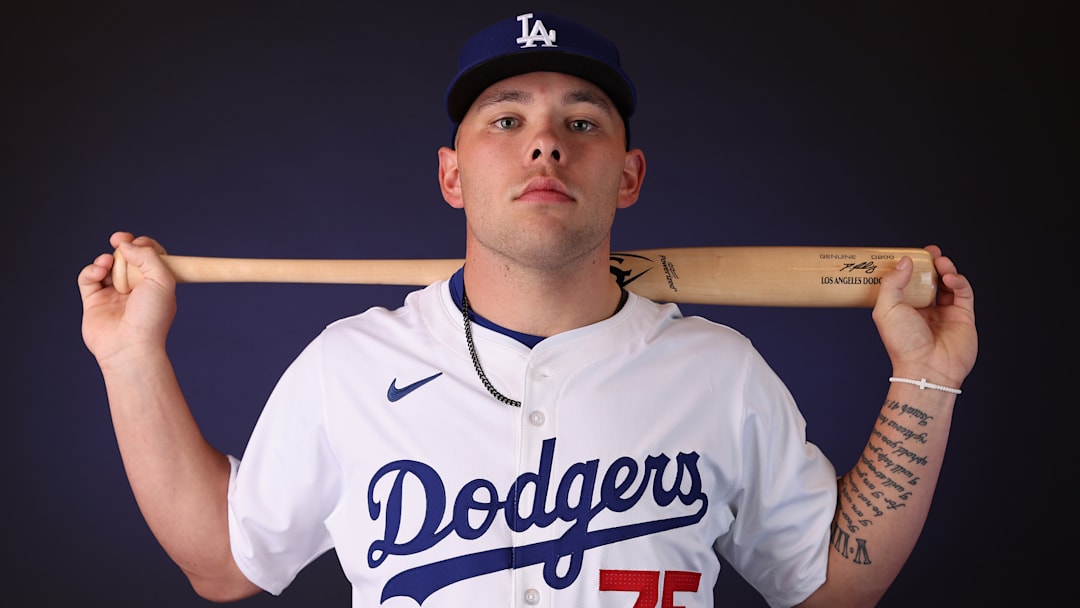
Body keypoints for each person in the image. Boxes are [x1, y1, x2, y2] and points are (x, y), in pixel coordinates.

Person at [77, 11, 977, 608]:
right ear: (452, 174)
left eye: (582, 122)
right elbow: (224, 563)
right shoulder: (351, 363)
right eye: (505, 120)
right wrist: (130, 359)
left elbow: (832, 589)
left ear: (628, 177)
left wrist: (926, 380)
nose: (545, 139)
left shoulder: (719, 369)